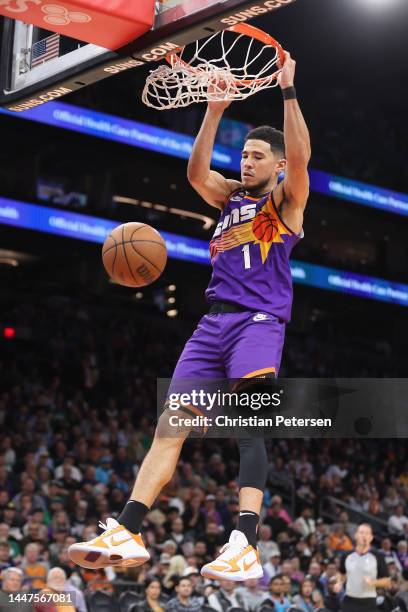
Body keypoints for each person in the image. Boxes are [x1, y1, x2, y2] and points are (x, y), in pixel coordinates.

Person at [68, 50, 311, 581]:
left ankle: (244, 543)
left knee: (249, 427)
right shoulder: (226, 198)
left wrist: (288, 91)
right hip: (212, 325)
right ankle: (128, 532)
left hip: (258, 324)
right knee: (170, 426)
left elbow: (302, 153)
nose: (245, 162)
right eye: (243, 155)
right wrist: (215, 108)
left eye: (255, 156)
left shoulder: (286, 204)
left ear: (277, 166)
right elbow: (196, 171)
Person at [339, 523, 390, 612]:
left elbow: (387, 581)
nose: (364, 535)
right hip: (348, 600)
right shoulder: (346, 555)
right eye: (361, 532)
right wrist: (339, 583)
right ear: (356, 536)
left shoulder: (378, 556)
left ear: (371, 537)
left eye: (367, 533)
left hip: (368, 602)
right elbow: (341, 573)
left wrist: (373, 582)